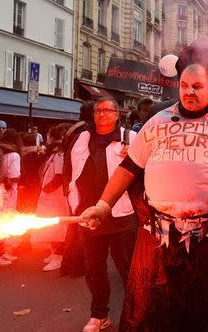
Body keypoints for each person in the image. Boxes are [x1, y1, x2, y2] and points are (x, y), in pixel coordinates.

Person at [81, 61, 208, 331]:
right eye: (184, 86)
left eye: (197, 86)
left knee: (204, 316)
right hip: (156, 237)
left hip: (206, 239)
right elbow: (129, 167)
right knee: (151, 314)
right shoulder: (157, 122)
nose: (189, 92)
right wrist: (104, 205)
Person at [69, 97, 137, 332]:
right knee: (94, 269)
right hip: (89, 215)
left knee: (128, 269)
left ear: (118, 114)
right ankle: (99, 315)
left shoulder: (130, 138)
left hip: (121, 215)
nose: (103, 115)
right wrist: (73, 202)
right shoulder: (82, 138)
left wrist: (136, 159)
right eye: (98, 110)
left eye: (108, 110)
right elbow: (72, 171)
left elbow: (149, 170)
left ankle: (136, 315)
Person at [60, 100, 96, 278]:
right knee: (81, 226)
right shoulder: (84, 132)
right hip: (81, 184)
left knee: (75, 228)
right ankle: (77, 265)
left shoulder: (73, 129)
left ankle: (70, 266)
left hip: (73, 183)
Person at [33, 123, 72, 272]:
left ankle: (58, 256)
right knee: (51, 227)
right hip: (50, 197)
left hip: (55, 198)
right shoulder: (55, 153)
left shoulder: (59, 154)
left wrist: (47, 188)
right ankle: (54, 253)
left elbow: (59, 175)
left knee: (57, 227)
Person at [0, 128, 22, 267]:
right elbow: (14, 176)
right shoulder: (14, 155)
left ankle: (0, 254)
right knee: (1, 223)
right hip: (7, 193)